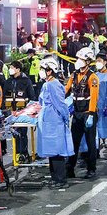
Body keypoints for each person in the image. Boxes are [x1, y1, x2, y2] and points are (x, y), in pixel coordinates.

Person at [36, 57, 74, 189]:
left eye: (43, 69)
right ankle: (54, 178)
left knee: (57, 151)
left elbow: (60, 104)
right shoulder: (47, 84)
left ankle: (61, 179)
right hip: (48, 121)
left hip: (54, 121)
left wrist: (64, 118)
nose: (40, 71)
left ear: (50, 71)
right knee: (51, 151)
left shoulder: (54, 84)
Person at [65, 47, 100, 179]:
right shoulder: (74, 75)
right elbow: (66, 90)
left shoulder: (93, 77)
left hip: (88, 114)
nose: (78, 61)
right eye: (78, 59)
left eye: (81, 59)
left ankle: (91, 169)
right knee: (74, 142)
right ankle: (70, 169)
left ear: (87, 61)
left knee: (91, 143)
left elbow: (94, 97)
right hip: (77, 114)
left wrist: (91, 114)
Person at [4, 61, 36, 161]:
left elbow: (32, 96)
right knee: (14, 133)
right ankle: (17, 153)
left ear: (18, 69)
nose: (10, 69)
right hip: (11, 112)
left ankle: (23, 153)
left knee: (22, 133)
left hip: (23, 112)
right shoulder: (8, 81)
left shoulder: (26, 81)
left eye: (12, 67)